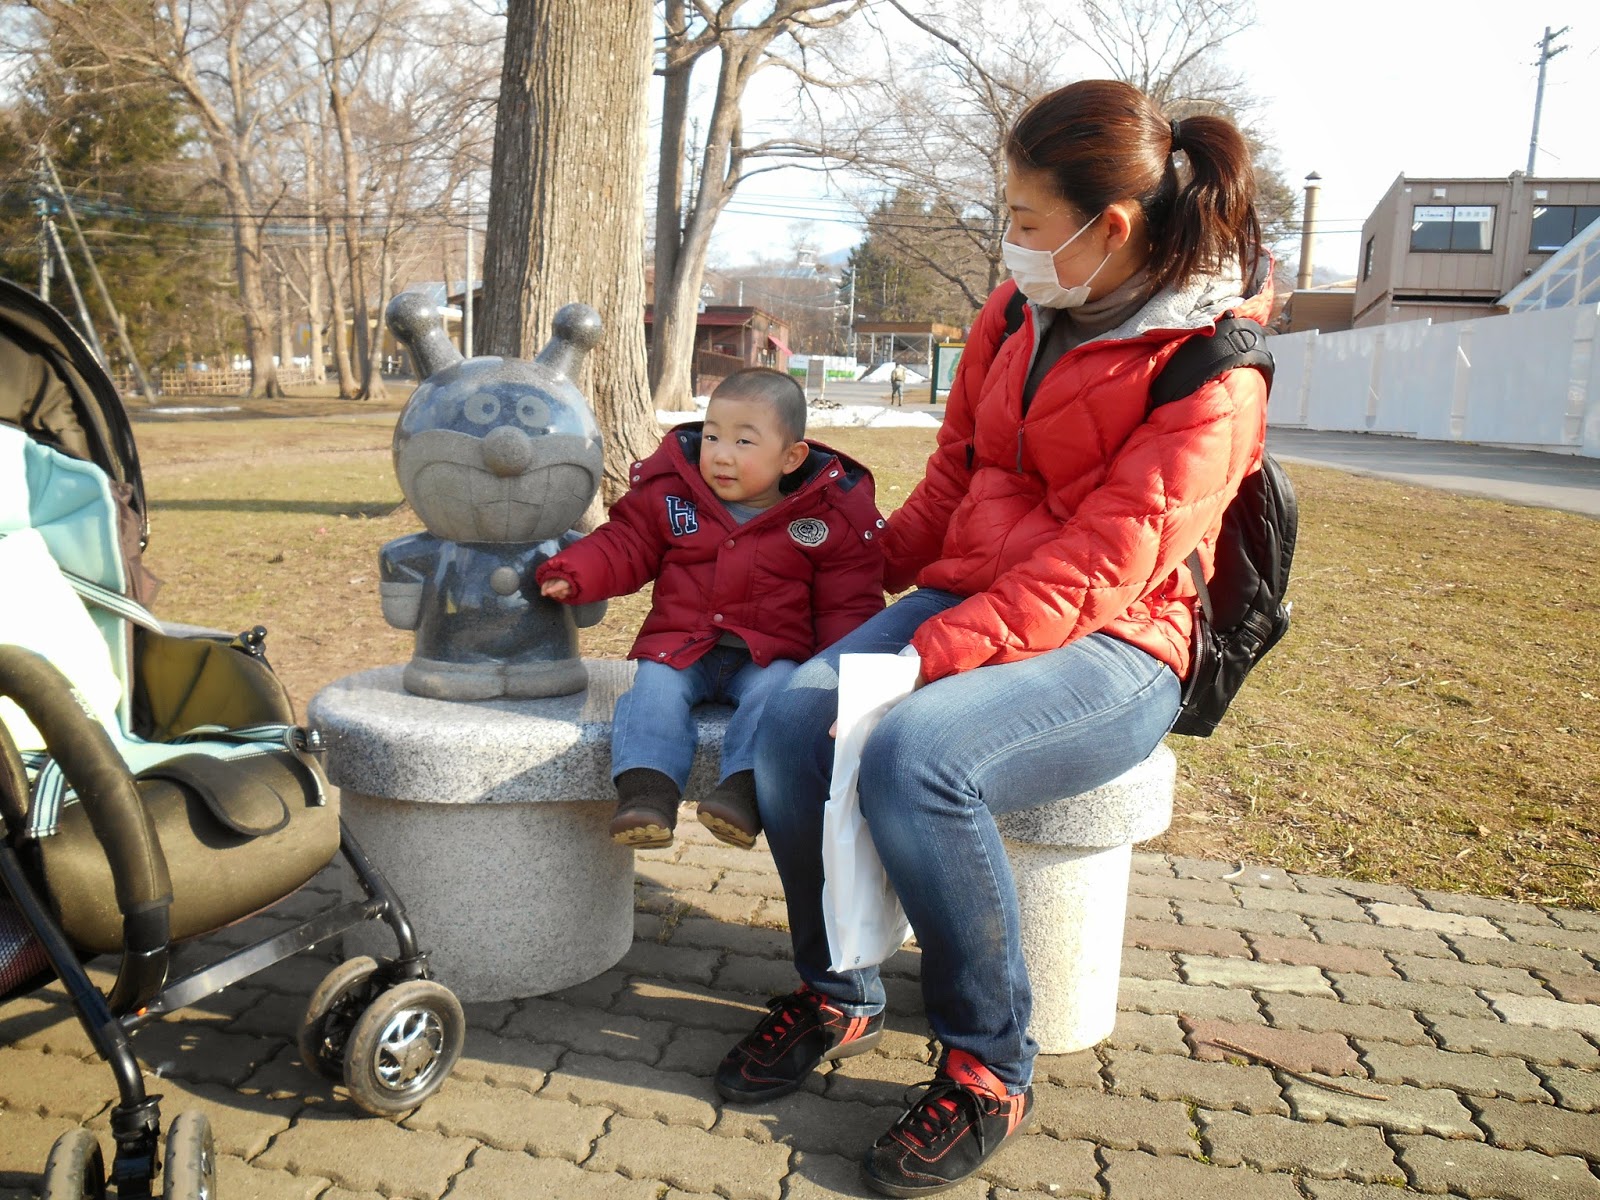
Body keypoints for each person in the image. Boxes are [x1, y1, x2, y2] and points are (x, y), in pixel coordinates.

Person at [713, 79, 1274, 1196]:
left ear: (1109, 227)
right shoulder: (1016, 311)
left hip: (1123, 641)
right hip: (976, 597)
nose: (1008, 238)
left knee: (917, 756)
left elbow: (1102, 568)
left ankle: (988, 1062)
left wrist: (924, 656)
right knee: (790, 724)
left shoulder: (1214, 371)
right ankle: (840, 991)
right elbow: (957, 479)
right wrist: (843, 565)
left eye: (1024, 217)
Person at [536, 367, 885, 850]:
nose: (721, 454)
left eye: (744, 442)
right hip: (682, 647)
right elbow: (625, 543)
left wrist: (847, 682)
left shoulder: (826, 516)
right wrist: (574, 571)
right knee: (653, 689)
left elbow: (846, 607)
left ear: (791, 457)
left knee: (779, 698)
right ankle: (647, 795)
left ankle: (742, 794)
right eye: (713, 436)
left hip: (770, 656)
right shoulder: (674, 496)